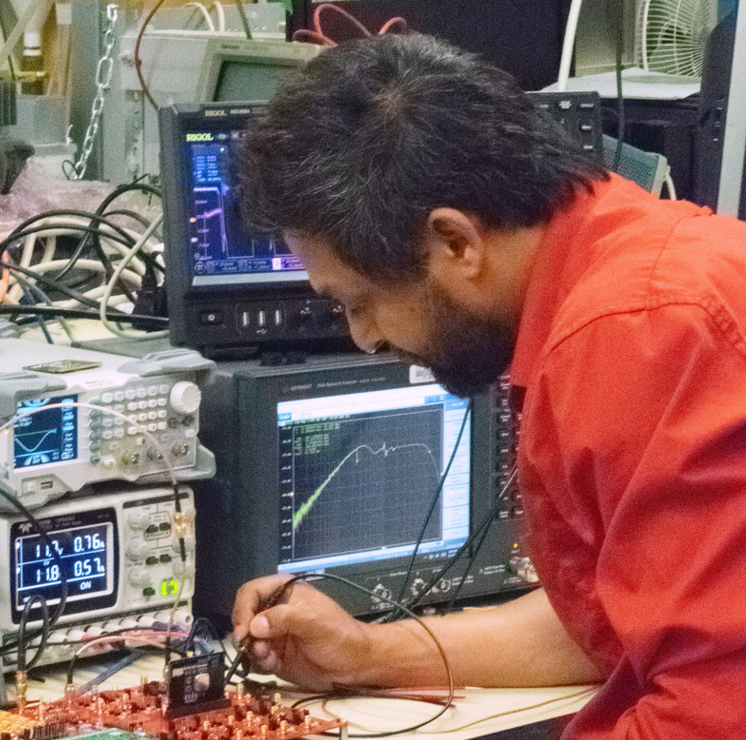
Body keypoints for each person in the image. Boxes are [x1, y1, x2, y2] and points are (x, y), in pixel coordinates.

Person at [223, 33, 746, 737]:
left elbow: (714, 711)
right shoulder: (629, 253)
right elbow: (623, 624)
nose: (363, 336)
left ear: (456, 243)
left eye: (358, 300)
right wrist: (370, 653)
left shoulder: (639, 331)